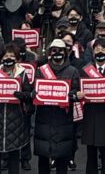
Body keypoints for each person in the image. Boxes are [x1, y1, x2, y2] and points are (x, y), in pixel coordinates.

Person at [0, 46, 34, 174]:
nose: (8, 58)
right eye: (6, 56)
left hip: (16, 117)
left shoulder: (22, 73)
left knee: (14, 154)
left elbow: (29, 93)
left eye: (11, 56)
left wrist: (24, 95)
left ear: (16, 59)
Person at [34, 39, 78, 174]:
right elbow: (34, 91)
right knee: (43, 160)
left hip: (63, 119)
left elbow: (76, 92)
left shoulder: (73, 71)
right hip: (44, 118)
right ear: (49, 53)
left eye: (60, 51)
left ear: (65, 53)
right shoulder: (41, 71)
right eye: (54, 50)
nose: (57, 53)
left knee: (62, 161)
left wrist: (70, 96)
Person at [79, 38, 105, 174]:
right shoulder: (85, 71)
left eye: (103, 50)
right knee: (91, 155)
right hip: (90, 115)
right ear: (93, 52)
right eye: (97, 50)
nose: (100, 52)